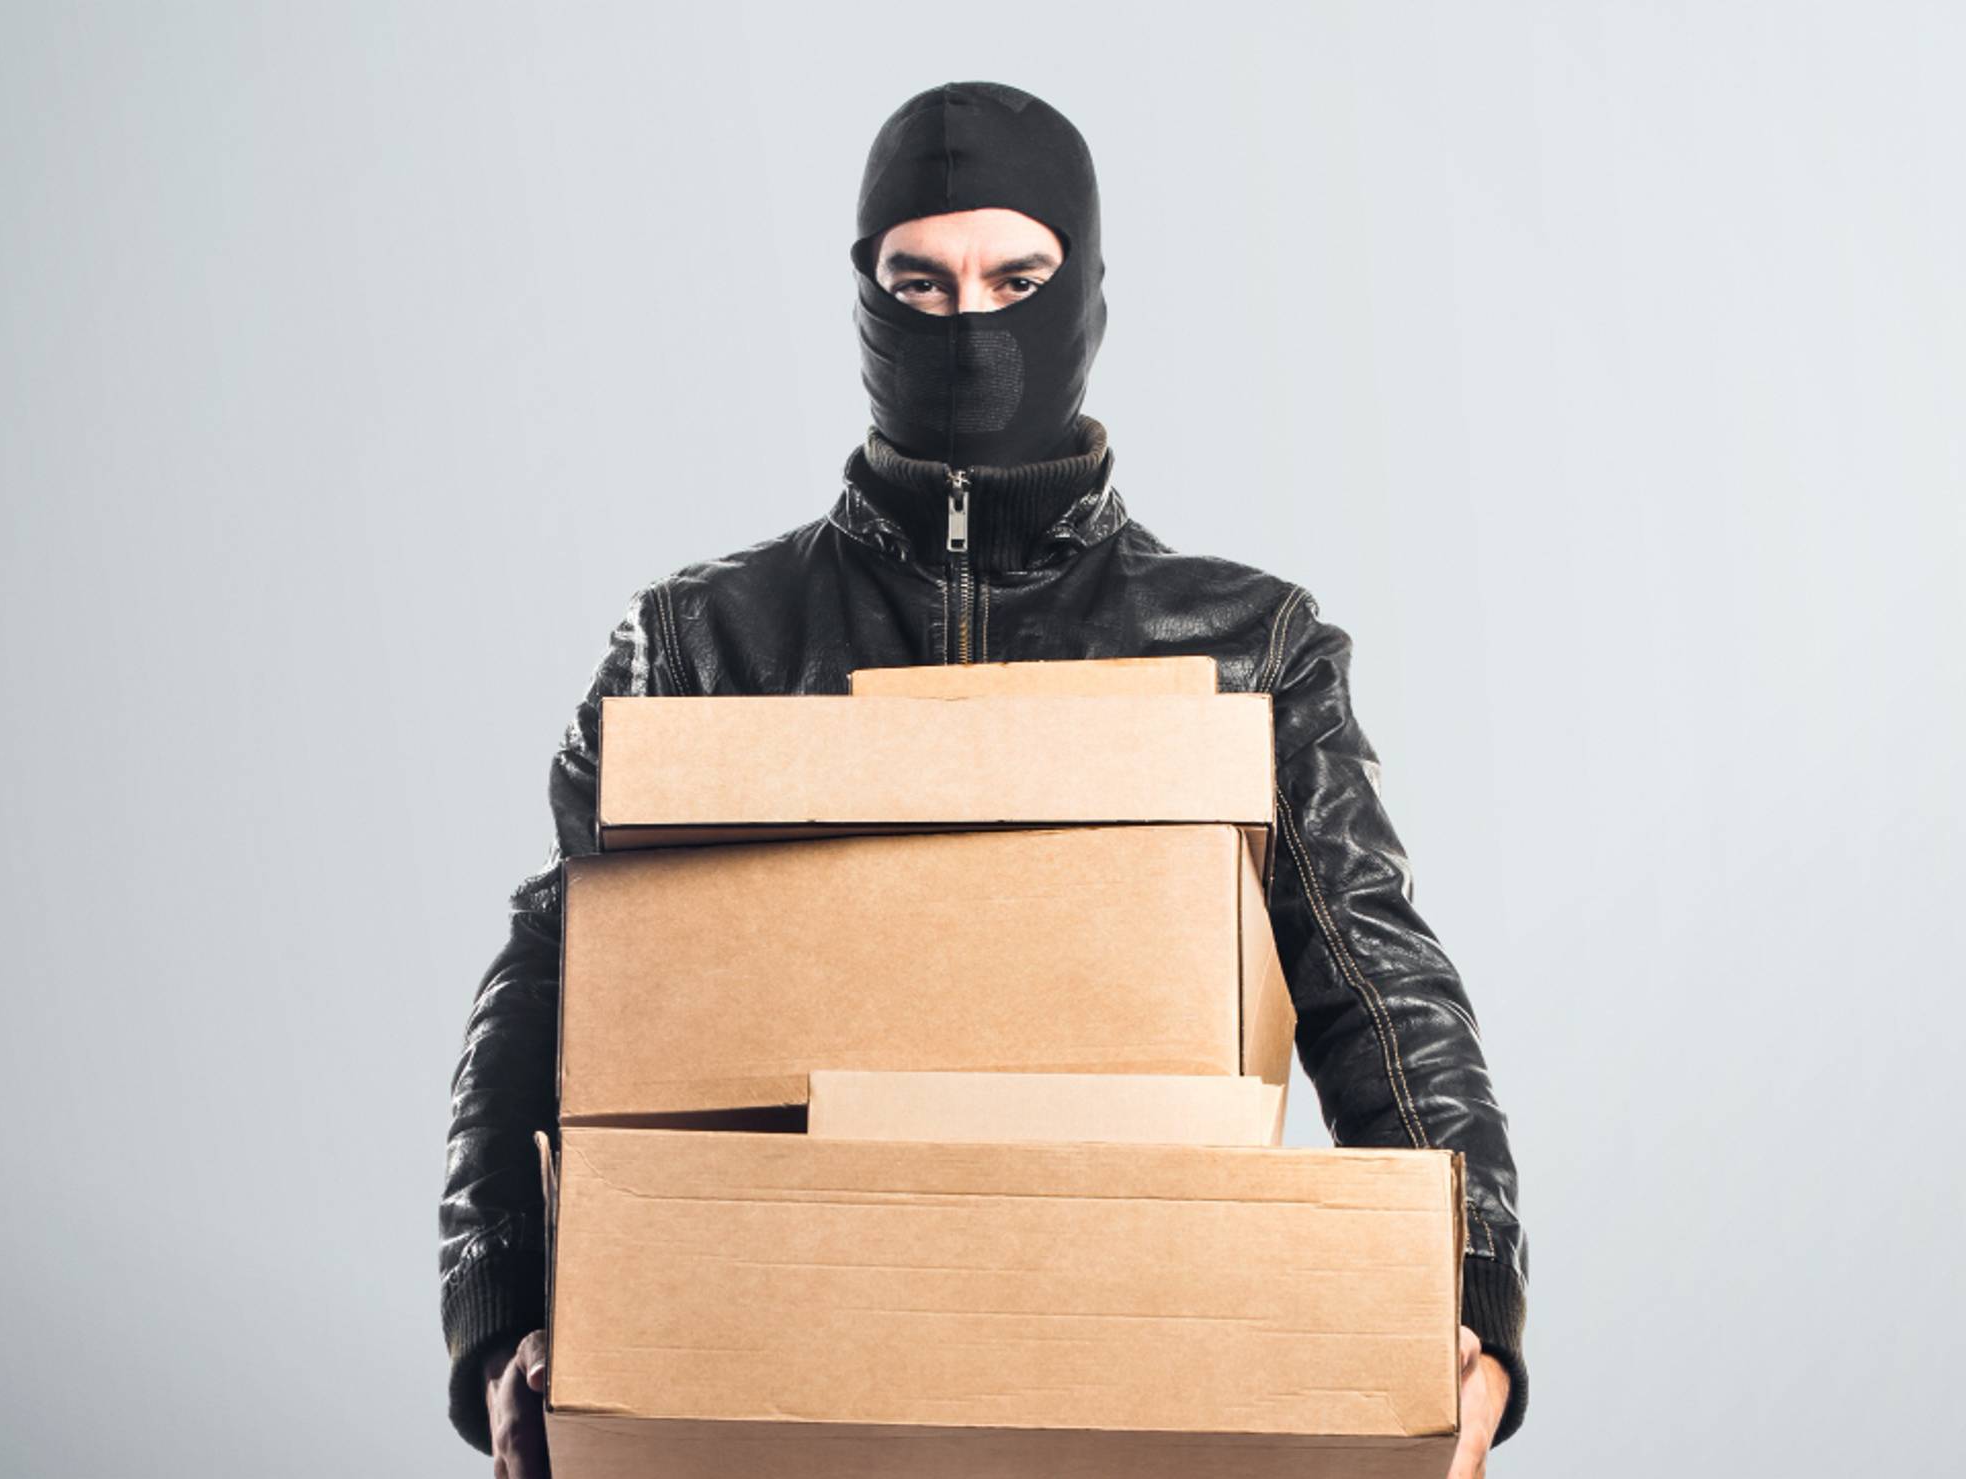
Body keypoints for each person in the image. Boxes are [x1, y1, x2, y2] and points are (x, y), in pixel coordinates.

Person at [440, 80, 1530, 1477]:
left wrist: (1468, 1287)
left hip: (1132, 1351)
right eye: (921, 283)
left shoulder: (1248, 648)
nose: (970, 326)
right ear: (865, 301)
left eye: (1016, 278)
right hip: (775, 1357)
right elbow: (553, 976)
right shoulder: (700, 644)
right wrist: (500, 1311)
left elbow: (1375, 975)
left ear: (1086, 296)